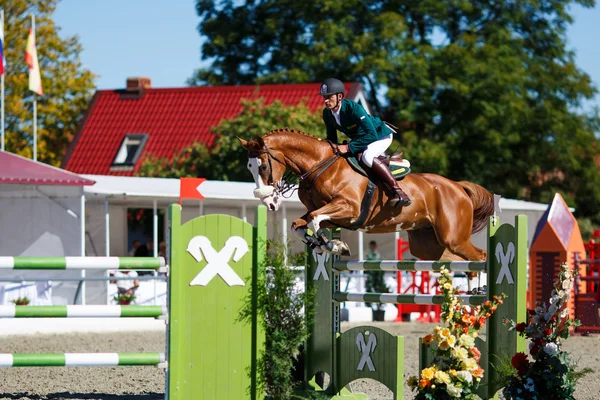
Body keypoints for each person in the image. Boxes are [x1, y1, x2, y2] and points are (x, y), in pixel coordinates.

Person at [319, 78, 411, 207]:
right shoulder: (327, 113)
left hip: (380, 135)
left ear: (339, 96)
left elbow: (371, 135)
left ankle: (398, 192)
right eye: (324, 97)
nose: (326, 101)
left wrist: (348, 147)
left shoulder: (353, 108)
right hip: (362, 138)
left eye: (329, 97)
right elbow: (331, 138)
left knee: (367, 157)